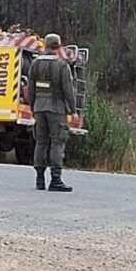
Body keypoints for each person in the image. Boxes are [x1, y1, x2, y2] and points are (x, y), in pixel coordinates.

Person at [27, 32, 77, 192]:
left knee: (41, 142)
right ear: (59, 46)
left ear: (45, 45)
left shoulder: (35, 64)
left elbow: (31, 88)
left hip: (39, 108)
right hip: (56, 109)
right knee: (57, 142)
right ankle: (55, 179)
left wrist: (33, 107)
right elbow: (68, 89)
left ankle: (39, 179)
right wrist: (73, 110)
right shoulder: (61, 65)